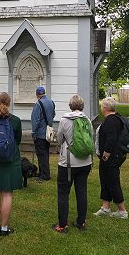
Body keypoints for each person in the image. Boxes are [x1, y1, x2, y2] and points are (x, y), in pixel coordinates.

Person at [52, 95, 93, 233]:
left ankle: (62, 225)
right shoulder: (87, 119)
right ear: (82, 106)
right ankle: (81, 222)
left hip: (68, 163)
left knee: (63, 192)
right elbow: (91, 136)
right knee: (81, 191)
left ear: (70, 106)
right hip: (86, 161)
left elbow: (59, 138)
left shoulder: (64, 120)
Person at [0, 92, 23, 238]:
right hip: (11, 159)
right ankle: (4, 227)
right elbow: (17, 141)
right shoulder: (16, 121)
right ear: (9, 103)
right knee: (7, 193)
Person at [93, 97, 128, 219]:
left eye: (102, 106)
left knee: (113, 182)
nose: (101, 108)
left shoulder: (111, 121)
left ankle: (122, 211)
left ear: (105, 108)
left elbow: (111, 139)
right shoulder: (115, 118)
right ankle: (105, 207)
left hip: (110, 158)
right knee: (105, 181)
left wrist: (106, 153)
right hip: (110, 158)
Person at [31, 86, 55, 182]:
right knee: (45, 153)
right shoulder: (51, 102)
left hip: (40, 133)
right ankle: (42, 172)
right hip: (48, 133)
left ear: (37, 95)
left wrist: (33, 133)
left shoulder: (38, 104)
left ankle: (45, 175)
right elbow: (53, 114)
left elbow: (35, 120)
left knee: (41, 154)